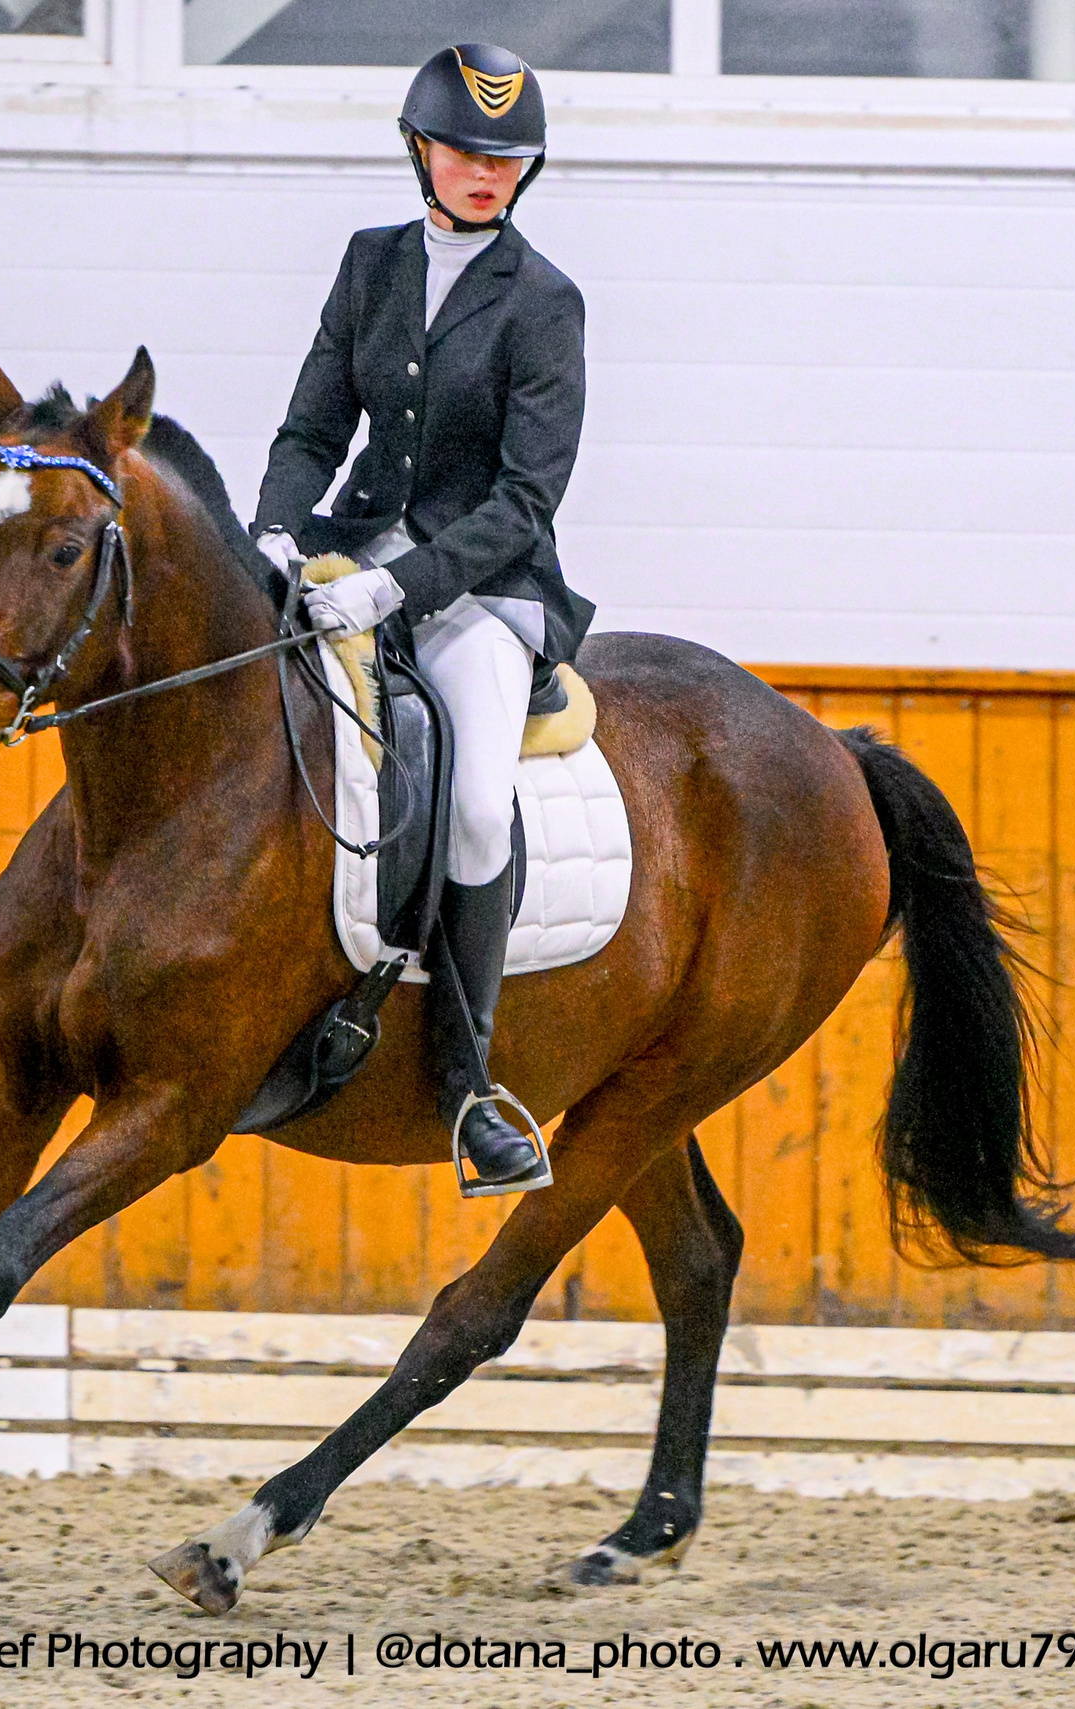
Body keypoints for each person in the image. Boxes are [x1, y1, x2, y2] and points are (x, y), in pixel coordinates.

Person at [252, 42, 594, 1196]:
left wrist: (398, 586)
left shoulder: (544, 303)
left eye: (504, 157)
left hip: (481, 588)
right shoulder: (370, 266)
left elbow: (523, 499)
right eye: (462, 150)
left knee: (480, 809)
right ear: (420, 151)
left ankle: (469, 1085)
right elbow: (311, 429)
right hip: (349, 549)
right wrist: (276, 531)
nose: (483, 172)